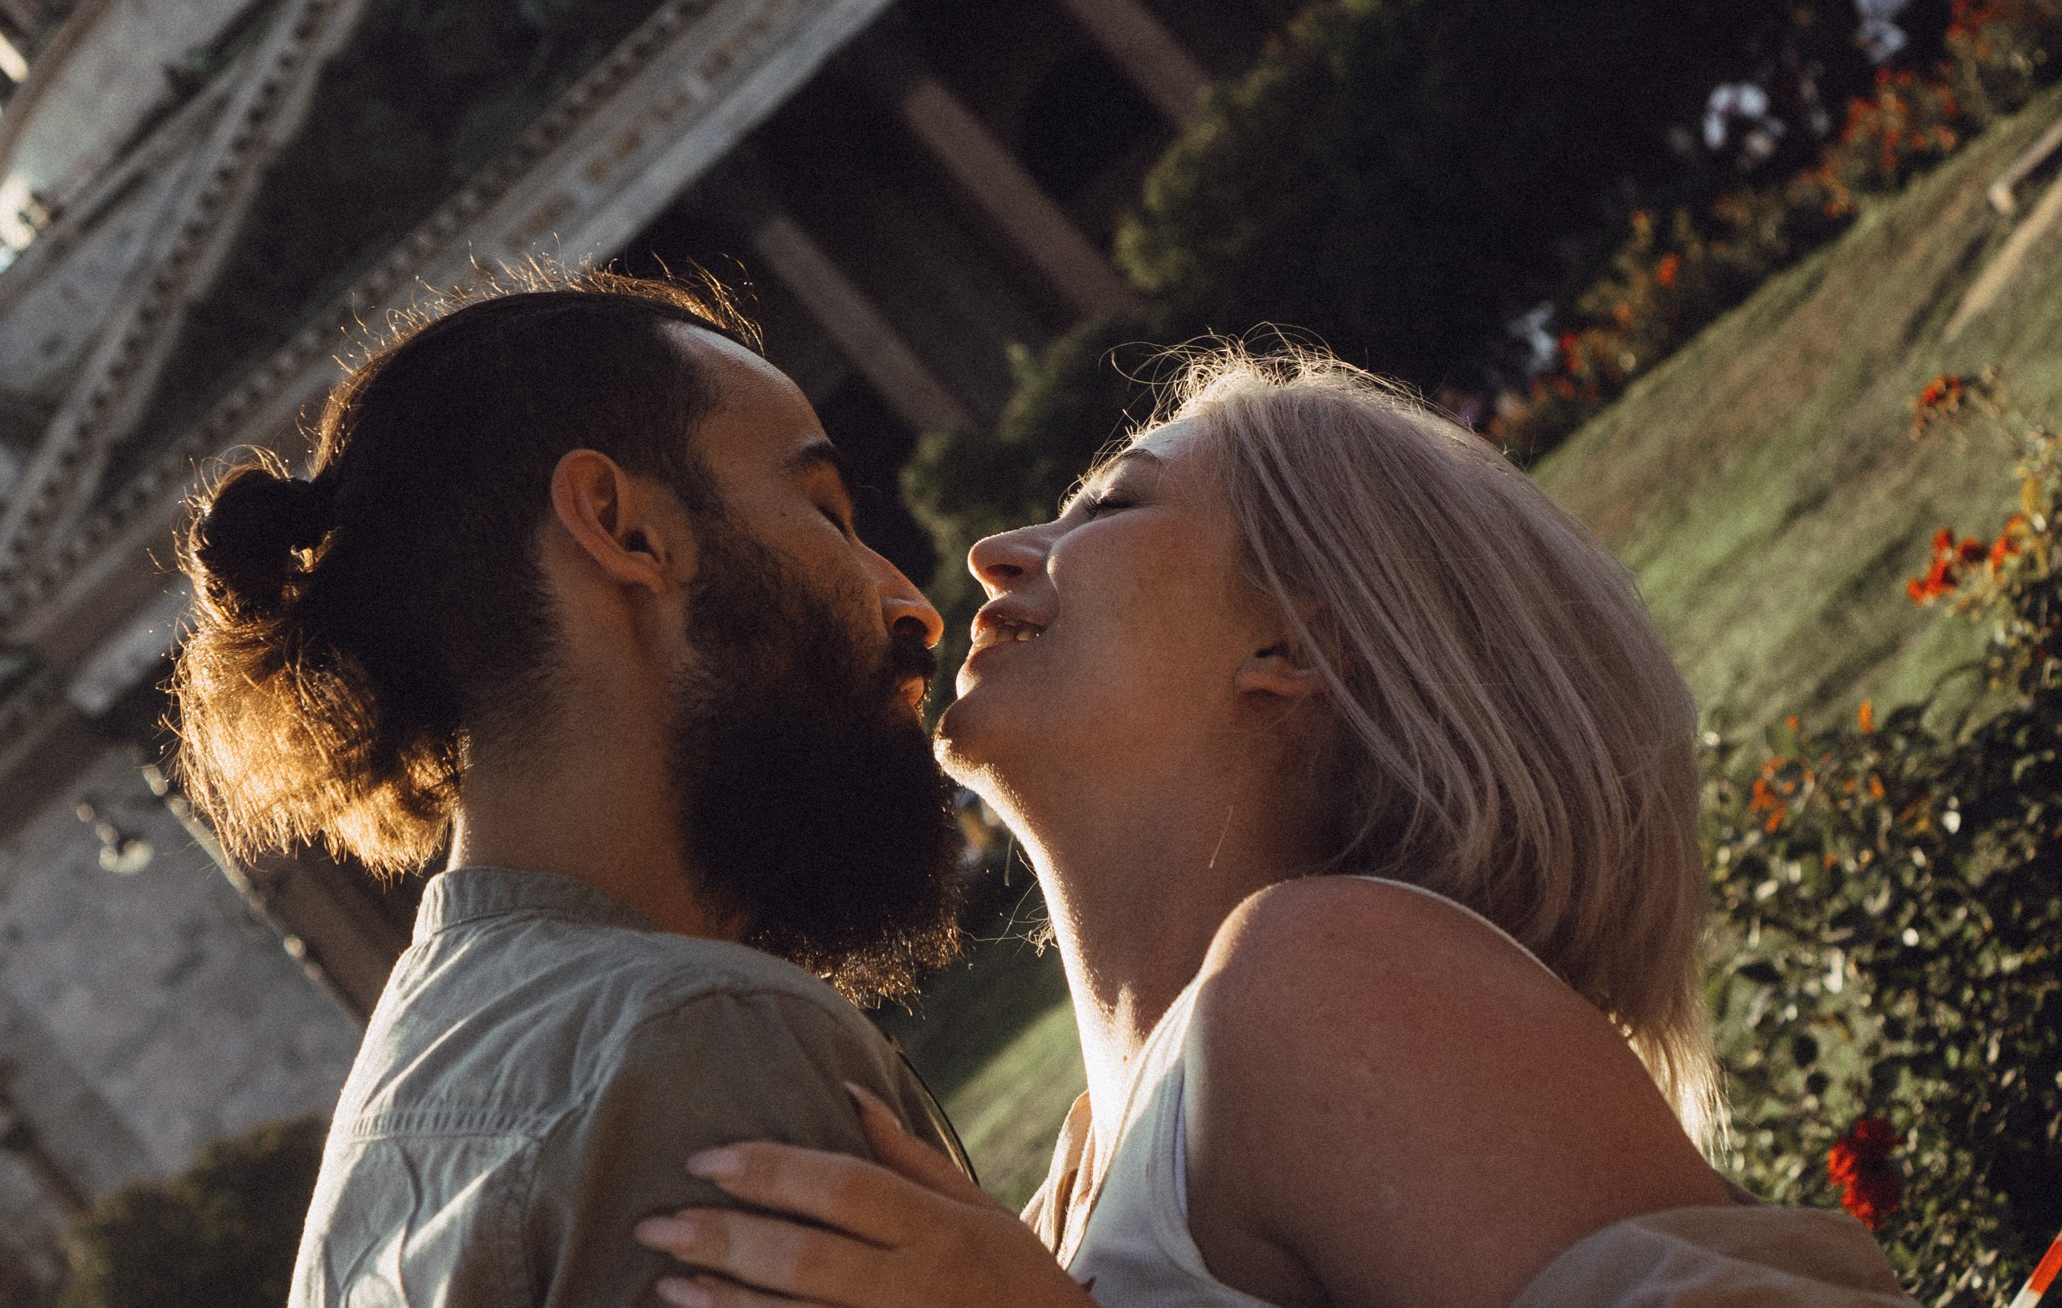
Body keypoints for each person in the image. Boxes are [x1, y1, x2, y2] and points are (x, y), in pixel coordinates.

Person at [635, 345, 1915, 1307]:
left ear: (1295, 641)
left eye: (1109, 509)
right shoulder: (1059, 1194)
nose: (992, 553)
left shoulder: (1327, 980)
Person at [169, 270, 972, 1307]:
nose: (911, 603)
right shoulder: (699, 1036)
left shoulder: (383, 1130)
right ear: (622, 529)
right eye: (824, 510)